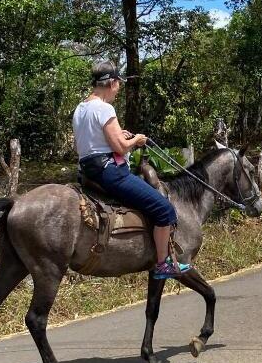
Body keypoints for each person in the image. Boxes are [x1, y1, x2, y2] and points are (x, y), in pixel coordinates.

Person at [72, 61, 191, 279]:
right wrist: (136, 139)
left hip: (88, 171)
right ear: (112, 83)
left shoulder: (81, 108)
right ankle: (163, 264)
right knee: (164, 209)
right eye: (118, 84)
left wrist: (119, 135)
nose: (118, 90)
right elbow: (120, 147)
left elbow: (92, 142)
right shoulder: (105, 108)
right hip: (110, 172)